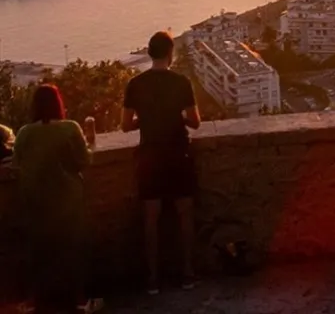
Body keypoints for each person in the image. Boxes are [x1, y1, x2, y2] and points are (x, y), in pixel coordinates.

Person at [121, 31, 201, 295]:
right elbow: (195, 121)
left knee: (151, 220)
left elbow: (125, 126)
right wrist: (176, 117)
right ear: (170, 53)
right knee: (184, 215)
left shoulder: (135, 84)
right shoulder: (181, 82)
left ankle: (153, 279)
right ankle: (187, 273)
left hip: (150, 157)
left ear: (148, 53)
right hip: (178, 154)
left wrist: (144, 121)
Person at [12, 84, 102, 313]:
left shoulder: (24, 133)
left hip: (36, 202)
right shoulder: (70, 128)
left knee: (37, 253)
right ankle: (81, 302)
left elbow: (17, 165)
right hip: (68, 201)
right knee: (74, 251)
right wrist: (91, 139)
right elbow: (84, 161)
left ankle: (33, 302)